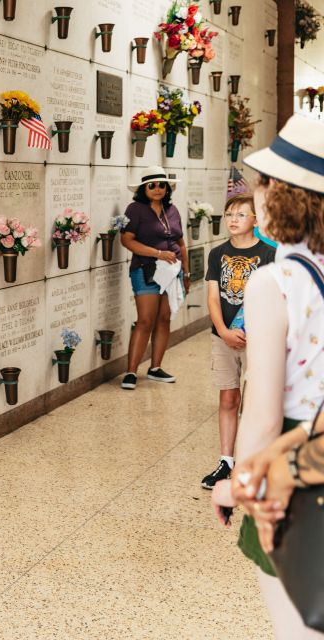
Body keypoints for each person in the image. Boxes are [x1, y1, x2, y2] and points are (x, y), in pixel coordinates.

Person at [211, 114, 324, 637]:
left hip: (291, 464)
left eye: (264, 181)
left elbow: (261, 408)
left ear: (283, 194)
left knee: (297, 622)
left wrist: (235, 483)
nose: (256, 192)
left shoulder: (273, 282)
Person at [200, 193, 276, 489]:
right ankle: (226, 461)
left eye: (241, 214)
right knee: (229, 397)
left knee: (257, 402)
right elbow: (212, 296)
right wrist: (223, 331)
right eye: (229, 213)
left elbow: (274, 299)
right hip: (223, 336)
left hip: (258, 338)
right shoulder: (217, 253)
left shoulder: (270, 254)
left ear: (256, 220)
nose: (233, 219)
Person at [119, 166, 190, 390]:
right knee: (145, 320)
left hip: (173, 272)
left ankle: (156, 368)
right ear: (144, 188)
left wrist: (186, 273)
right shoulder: (135, 209)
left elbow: (181, 243)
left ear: (167, 188)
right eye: (152, 185)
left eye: (162, 185)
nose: (157, 189)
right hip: (146, 269)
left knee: (164, 319)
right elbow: (127, 240)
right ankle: (131, 372)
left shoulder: (173, 210)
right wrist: (158, 253)